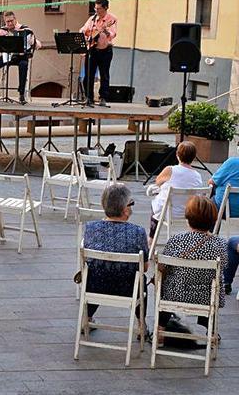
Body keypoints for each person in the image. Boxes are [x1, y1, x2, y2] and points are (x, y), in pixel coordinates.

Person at [158, 196, 227, 340]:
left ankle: (160, 329)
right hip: (207, 298)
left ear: (188, 218)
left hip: (175, 295)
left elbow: (163, 267)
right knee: (216, 279)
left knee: (166, 281)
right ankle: (211, 330)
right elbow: (223, 267)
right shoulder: (220, 244)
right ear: (213, 220)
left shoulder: (176, 240)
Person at [82, 184, 149, 325]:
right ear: (125, 210)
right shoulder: (138, 232)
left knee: (94, 273)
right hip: (127, 288)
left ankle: (86, 319)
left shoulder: (91, 228)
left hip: (95, 287)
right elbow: (145, 267)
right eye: (131, 204)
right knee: (141, 279)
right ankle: (141, 323)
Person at [149, 141, 204, 238]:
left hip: (167, 211)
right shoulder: (197, 176)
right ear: (194, 157)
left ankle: (151, 239)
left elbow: (158, 182)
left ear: (177, 155)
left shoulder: (170, 170)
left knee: (156, 204)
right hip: (189, 213)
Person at [0, 11, 40, 104]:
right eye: (7, 22)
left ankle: (21, 94)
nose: (10, 23)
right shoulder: (2, 30)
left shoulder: (25, 30)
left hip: (21, 57)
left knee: (23, 65)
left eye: (11, 21)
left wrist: (32, 41)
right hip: (7, 56)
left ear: (15, 19)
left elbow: (38, 45)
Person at [80, 0, 118, 106]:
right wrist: (88, 36)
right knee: (88, 74)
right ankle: (89, 97)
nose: (96, 11)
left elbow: (113, 34)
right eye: (95, 8)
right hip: (92, 49)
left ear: (105, 8)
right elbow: (82, 30)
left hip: (106, 50)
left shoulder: (112, 19)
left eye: (99, 9)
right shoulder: (92, 19)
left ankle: (103, 98)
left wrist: (105, 30)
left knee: (104, 74)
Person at [209, 144, 239, 223]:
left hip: (225, 207)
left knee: (208, 206)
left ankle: (210, 234)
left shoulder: (232, 162)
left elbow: (212, 182)